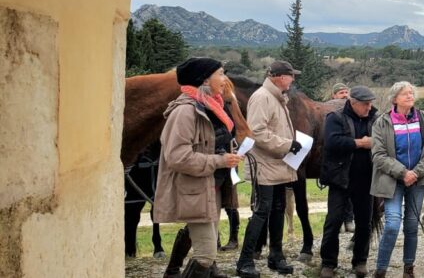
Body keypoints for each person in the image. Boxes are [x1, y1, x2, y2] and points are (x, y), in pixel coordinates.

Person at [153, 58, 243, 278]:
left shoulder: (212, 107)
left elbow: (211, 142)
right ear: (204, 79)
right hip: (195, 190)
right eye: (220, 73)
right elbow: (177, 157)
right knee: (205, 254)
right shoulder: (185, 112)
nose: (225, 80)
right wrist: (220, 161)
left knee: (209, 253)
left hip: (212, 188)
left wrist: (231, 150)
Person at [236, 61, 304, 278]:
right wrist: (287, 145)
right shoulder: (263, 97)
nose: (293, 80)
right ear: (279, 77)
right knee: (261, 212)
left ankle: (276, 255)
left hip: (277, 164)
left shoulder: (275, 97)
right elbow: (256, 132)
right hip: (265, 165)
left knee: (278, 209)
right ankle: (245, 260)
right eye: (291, 76)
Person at [371, 82, 424, 278]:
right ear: (394, 99)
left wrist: (415, 173)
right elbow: (378, 155)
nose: (410, 96)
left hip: (417, 181)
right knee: (392, 224)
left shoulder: (423, 119)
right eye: (404, 94)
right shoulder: (382, 123)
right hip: (392, 181)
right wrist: (403, 173)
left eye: (411, 93)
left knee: (411, 226)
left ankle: (408, 269)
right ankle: (380, 269)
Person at [319, 86, 379, 278]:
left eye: (371, 104)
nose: (369, 108)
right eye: (365, 104)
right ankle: (328, 263)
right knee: (333, 221)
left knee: (365, 223)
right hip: (340, 179)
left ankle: (360, 261)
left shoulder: (375, 119)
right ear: (353, 103)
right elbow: (331, 142)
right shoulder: (335, 118)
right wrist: (359, 143)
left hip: (366, 180)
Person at [324, 82, 355, 233]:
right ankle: (338, 222)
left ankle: (349, 219)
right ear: (333, 96)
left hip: (351, 158)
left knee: (349, 191)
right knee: (336, 193)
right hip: (335, 161)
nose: (344, 95)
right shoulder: (331, 115)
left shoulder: (354, 113)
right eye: (341, 93)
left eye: (346, 92)